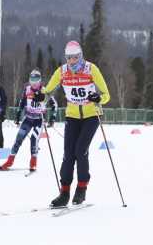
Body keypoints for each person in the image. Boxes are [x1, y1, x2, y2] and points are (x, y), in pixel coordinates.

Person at [42, 40, 110, 207]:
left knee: (81, 150)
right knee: (68, 154)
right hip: (72, 116)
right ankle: (64, 192)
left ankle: (81, 188)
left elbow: (106, 94)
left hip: (91, 115)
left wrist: (98, 98)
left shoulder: (91, 69)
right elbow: (48, 91)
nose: (72, 61)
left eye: (75, 57)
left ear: (80, 56)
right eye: (69, 58)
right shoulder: (62, 71)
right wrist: (39, 96)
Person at [0, 70, 57, 171]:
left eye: (36, 80)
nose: (34, 82)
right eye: (32, 79)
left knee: (34, 140)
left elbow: (54, 105)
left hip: (39, 120)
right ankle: (9, 161)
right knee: (18, 139)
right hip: (28, 119)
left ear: (40, 80)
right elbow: (22, 102)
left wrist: (52, 119)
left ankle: (33, 162)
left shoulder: (44, 90)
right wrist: (17, 115)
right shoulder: (27, 89)